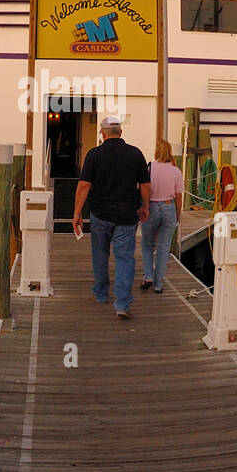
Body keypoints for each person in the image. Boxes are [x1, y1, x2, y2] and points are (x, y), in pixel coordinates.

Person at [73, 115, 150, 319]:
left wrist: (77, 213)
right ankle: (122, 304)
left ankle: (100, 295)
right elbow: (144, 185)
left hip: (100, 214)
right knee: (125, 259)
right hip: (127, 216)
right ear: (121, 132)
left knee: (100, 255)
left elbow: (84, 185)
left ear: (102, 132)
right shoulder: (135, 154)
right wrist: (145, 207)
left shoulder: (94, 154)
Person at [140, 140, 183, 292]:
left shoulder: (150, 167)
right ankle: (158, 285)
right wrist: (178, 215)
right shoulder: (176, 171)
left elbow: (143, 188)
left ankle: (148, 276)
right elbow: (178, 196)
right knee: (163, 248)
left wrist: (143, 207)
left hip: (151, 207)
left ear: (156, 151)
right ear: (170, 151)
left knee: (147, 244)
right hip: (168, 207)